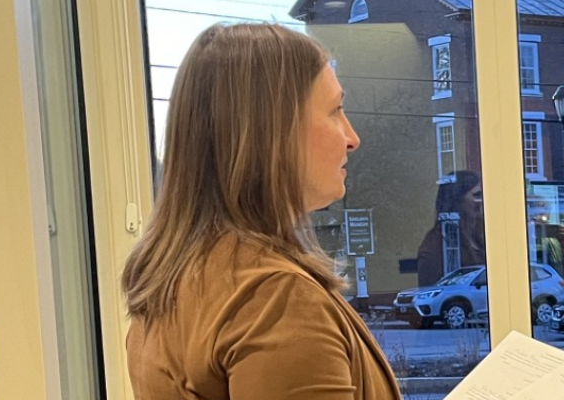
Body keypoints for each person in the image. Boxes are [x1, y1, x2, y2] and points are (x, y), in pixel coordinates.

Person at [121, 23, 399, 400]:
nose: (351, 138)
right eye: (334, 111)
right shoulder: (276, 298)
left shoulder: (175, 275)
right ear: (274, 134)